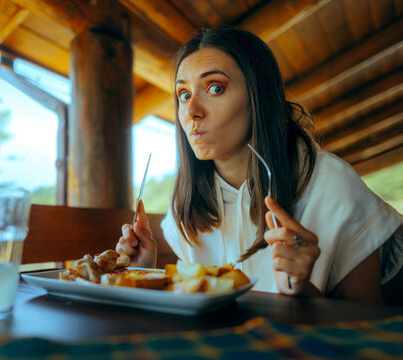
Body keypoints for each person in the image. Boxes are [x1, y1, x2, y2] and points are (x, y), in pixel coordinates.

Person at [116, 26, 403, 303]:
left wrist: (303, 291)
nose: (191, 112)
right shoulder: (185, 203)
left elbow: (364, 327)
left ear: (258, 98)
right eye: (184, 94)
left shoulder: (334, 186)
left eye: (215, 88)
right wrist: (143, 271)